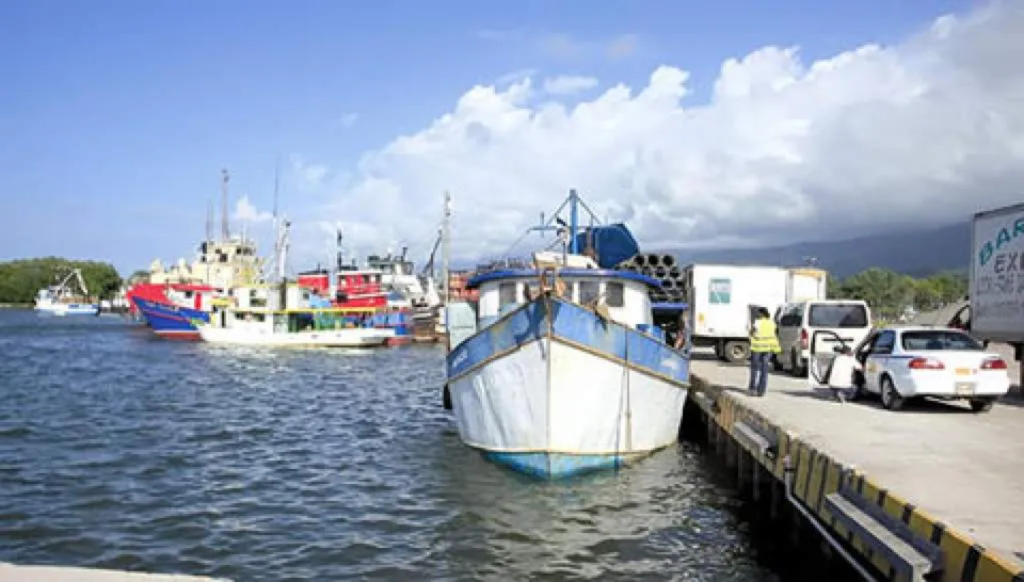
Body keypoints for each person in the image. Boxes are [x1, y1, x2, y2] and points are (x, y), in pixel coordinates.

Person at [748, 307, 782, 396]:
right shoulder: (772, 323)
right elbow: (774, 333)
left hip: (758, 347)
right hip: (768, 348)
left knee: (755, 368)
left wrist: (750, 333)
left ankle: (752, 388)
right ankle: (761, 390)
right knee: (764, 369)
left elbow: (752, 332)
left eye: (758, 314)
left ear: (761, 314)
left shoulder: (758, 322)